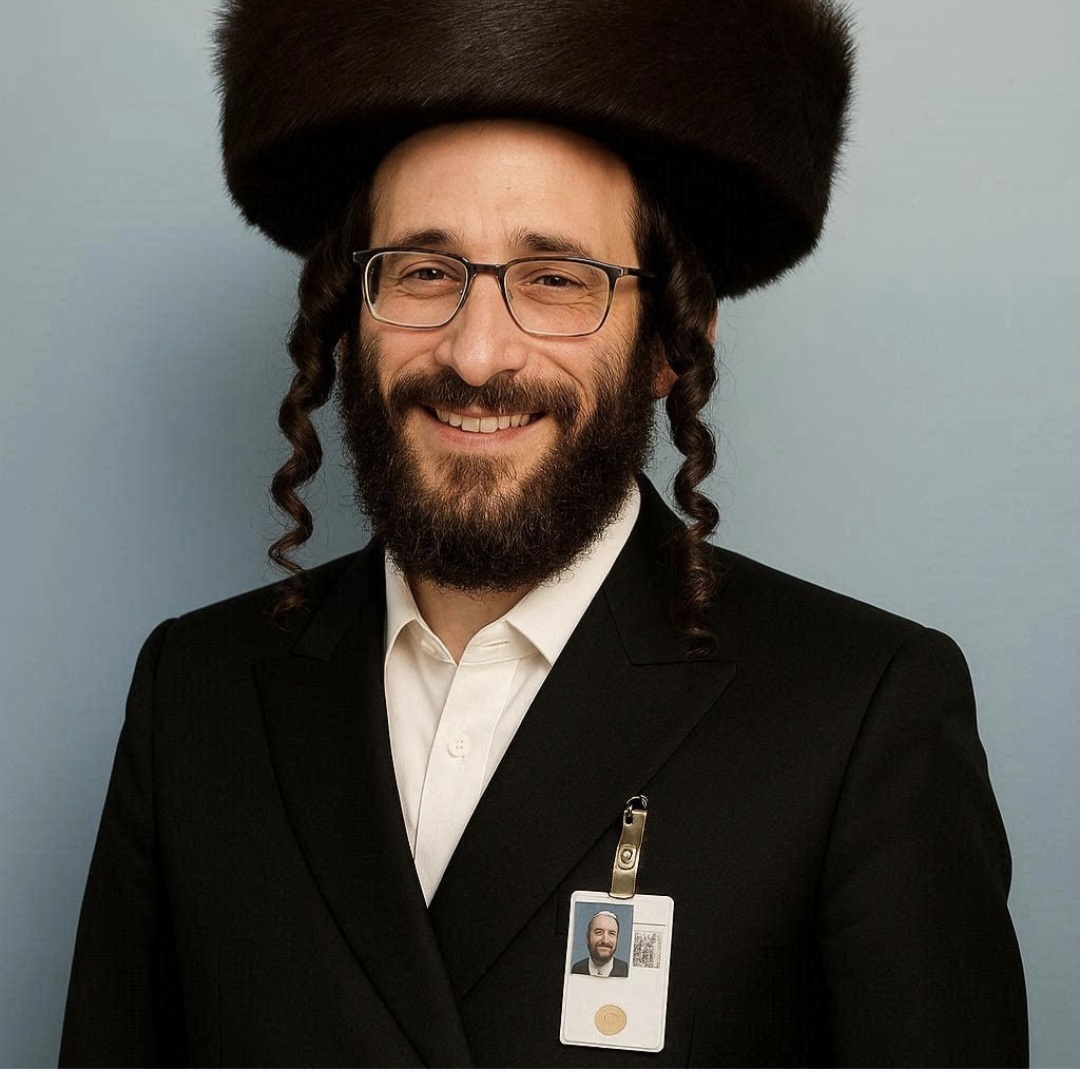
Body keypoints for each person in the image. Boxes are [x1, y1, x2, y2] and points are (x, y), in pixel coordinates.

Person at [60, 0, 1028, 1066]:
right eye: (425, 271)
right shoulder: (194, 692)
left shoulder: (862, 715)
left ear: (672, 342)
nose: (476, 354)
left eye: (557, 280)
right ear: (350, 314)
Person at [571, 911, 630, 977]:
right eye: (599, 932)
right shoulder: (576, 969)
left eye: (611, 933)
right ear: (588, 938)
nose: (605, 941)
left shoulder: (627, 971)